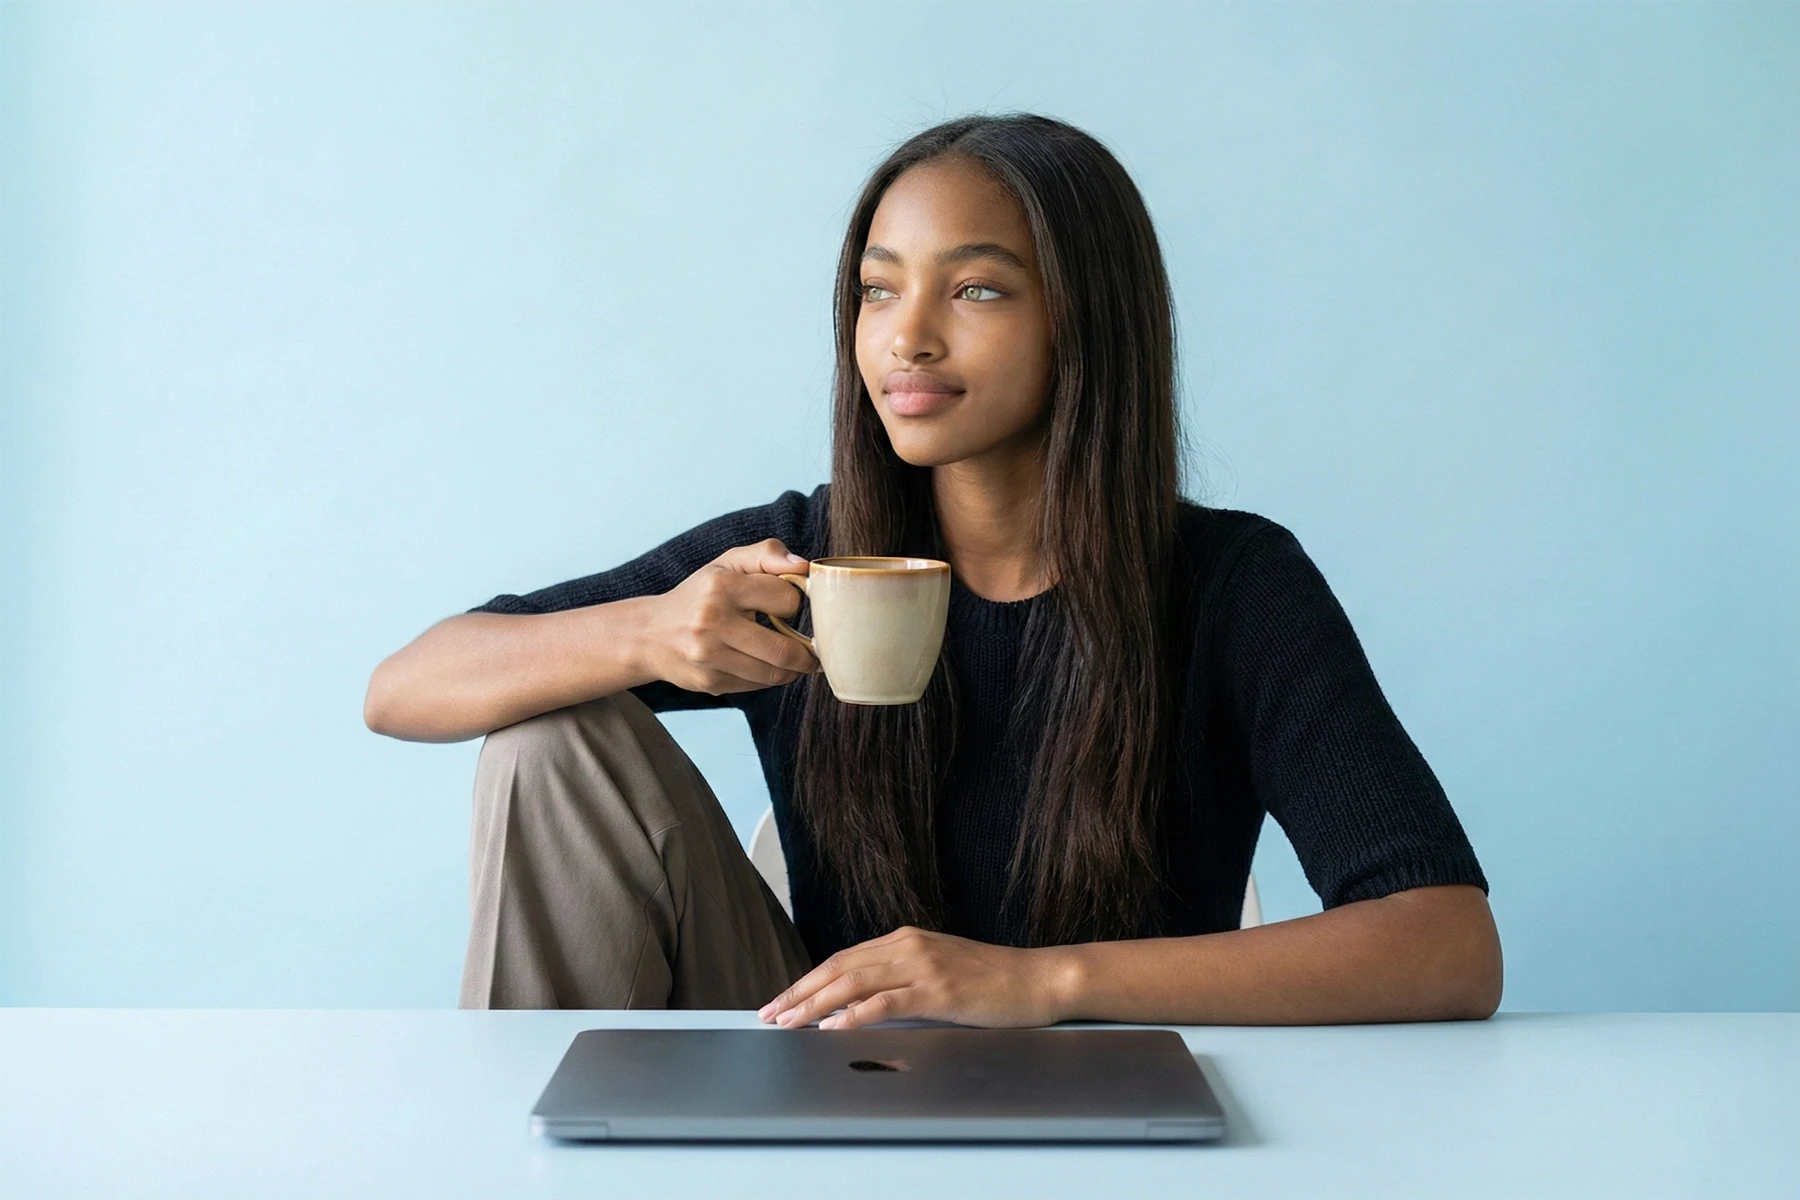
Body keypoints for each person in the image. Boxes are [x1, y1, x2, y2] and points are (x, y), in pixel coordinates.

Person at [364, 112, 1502, 1029]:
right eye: (877, 288)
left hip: (1104, 1087)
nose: (906, 338)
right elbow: (406, 686)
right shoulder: (797, 556)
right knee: (548, 737)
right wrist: (652, 636)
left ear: (1085, 326)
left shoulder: (1231, 587)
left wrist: (1040, 986)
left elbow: (1447, 942)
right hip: (820, 1067)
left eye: (975, 290)